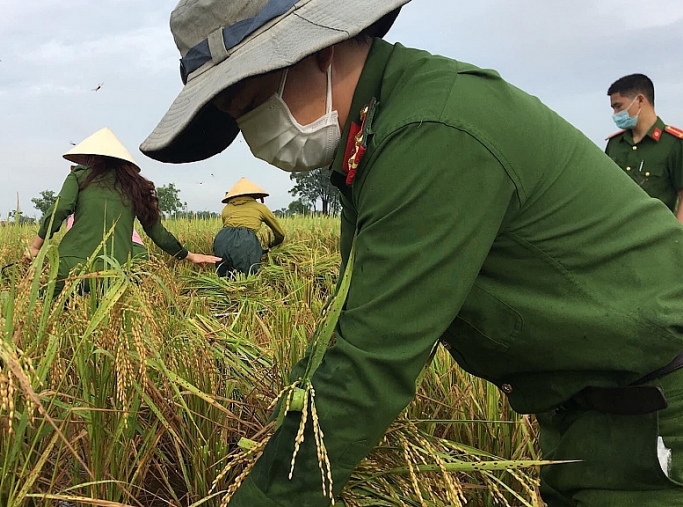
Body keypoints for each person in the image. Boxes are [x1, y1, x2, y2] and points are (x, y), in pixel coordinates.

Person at [140, 1, 683, 505]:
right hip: (590, 406)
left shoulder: (431, 131)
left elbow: (370, 362)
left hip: (656, 404)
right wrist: (293, 411)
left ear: (315, 50)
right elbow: (349, 317)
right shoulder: (373, 140)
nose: (251, 132)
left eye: (249, 102)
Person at [28, 127, 218, 297]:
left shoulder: (79, 176)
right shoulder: (135, 188)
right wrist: (189, 255)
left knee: (45, 304)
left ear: (91, 158)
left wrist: (36, 247)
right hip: (115, 274)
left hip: (70, 270)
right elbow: (158, 233)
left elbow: (60, 209)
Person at [605, 74, 683, 222]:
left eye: (618, 106)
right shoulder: (615, 144)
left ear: (640, 100)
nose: (615, 114)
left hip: (655, 238)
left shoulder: (674, 144)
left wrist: (677, 240)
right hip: (615, 235)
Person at [214, 177, 284, 276]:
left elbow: (229, 231)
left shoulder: (226, 208)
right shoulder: (260, 208)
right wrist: (273, 244)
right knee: (247, 277)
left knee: (224, 276)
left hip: (221, 239)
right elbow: (280, 233)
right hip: (245, 240)